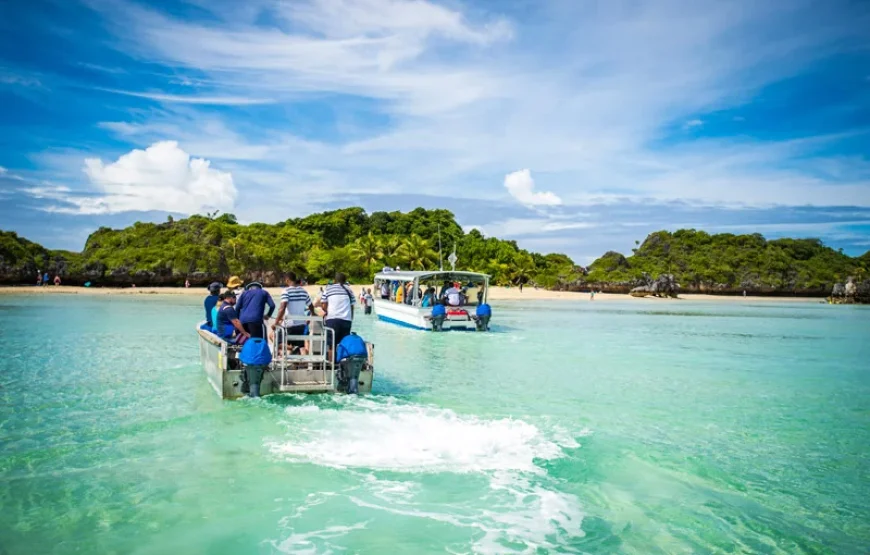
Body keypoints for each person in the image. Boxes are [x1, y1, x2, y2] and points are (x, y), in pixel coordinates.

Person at [271, 272, 315, 355]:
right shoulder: (304, 291)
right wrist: (313, 314)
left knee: (275, 339)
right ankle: (304, 364)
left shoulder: (286, 291)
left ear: (287, 280)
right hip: (301, 325)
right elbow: (311, 306)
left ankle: (291, 348)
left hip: (289, 325)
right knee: (301, 346)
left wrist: (276, 323)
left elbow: (282, 308)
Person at [320, 272, 355, 357]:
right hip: (346, 320)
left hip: (332, 320)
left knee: (331, 345)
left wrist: (327, 311)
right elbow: (352, 306)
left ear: (334, 280)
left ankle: (332, 366)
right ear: (345, 280)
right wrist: (351, 318)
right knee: (343, 345)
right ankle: (342, 366)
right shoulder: (349, 290)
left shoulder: (328, 288)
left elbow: (323, 304)